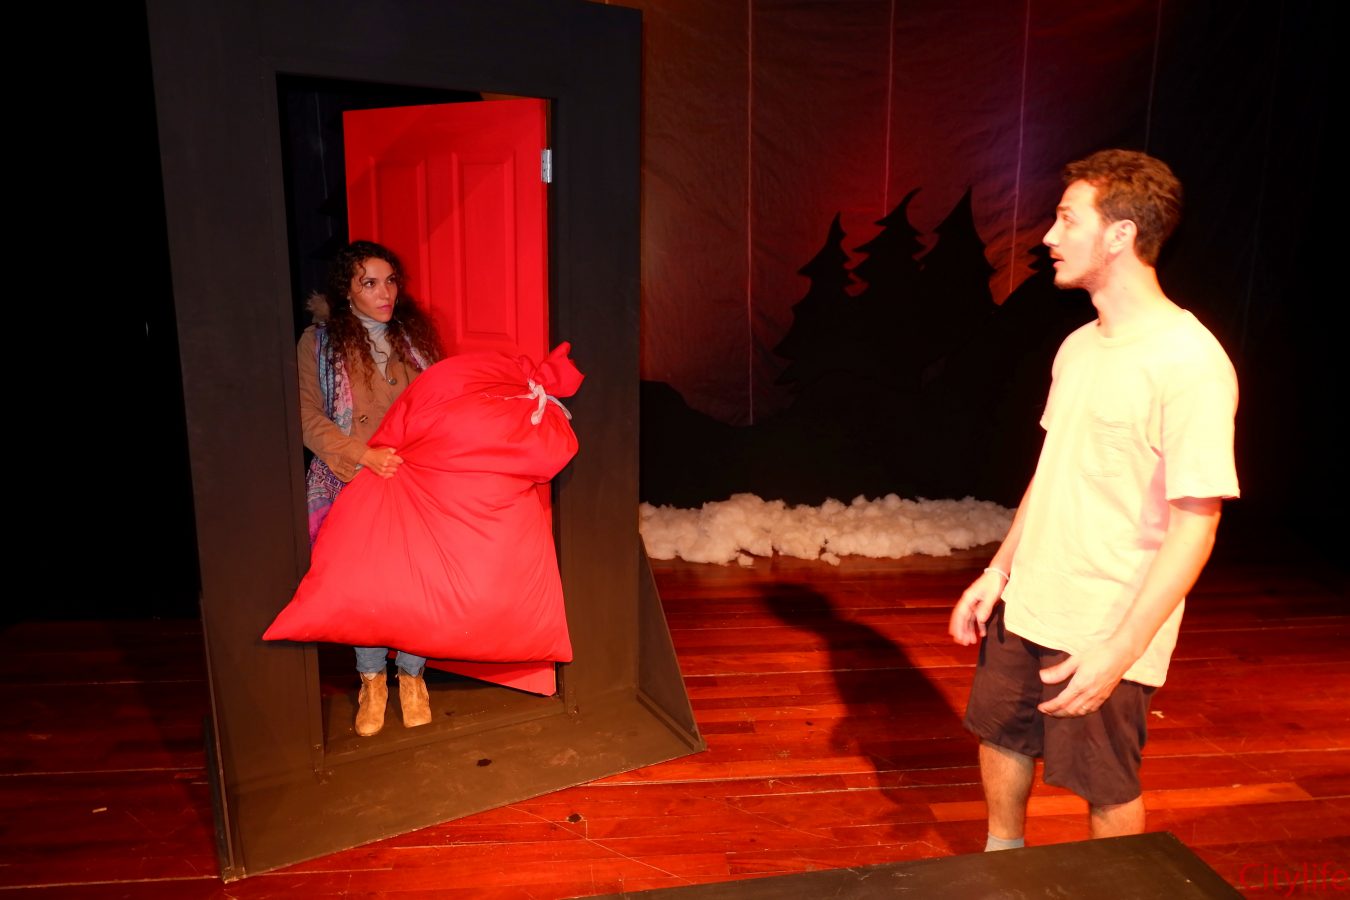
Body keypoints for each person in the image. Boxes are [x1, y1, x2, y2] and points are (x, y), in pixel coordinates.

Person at [948, 149, 1239, 850]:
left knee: (1104, 783)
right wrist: (999, 571)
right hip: (1030, 601)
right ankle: (1001, 865)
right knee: (1001, 735)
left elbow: (1196, 524)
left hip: (1107, 620)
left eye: (1067, 219)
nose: (1049, 236)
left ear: (1119, 234)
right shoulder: (1079, 346)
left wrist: (1121, 649)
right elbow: (1053, 472)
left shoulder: (1190, 362)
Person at [297, 239, 443, 737]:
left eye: (391, 281)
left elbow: (443, 403)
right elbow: (306, 416)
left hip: (414, 477)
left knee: (416, 580)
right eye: (370, 283)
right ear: (347, 290)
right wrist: (362, 455)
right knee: (365, 585)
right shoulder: (318, 343)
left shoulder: (415, 338)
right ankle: (373, 681)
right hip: (353, 475)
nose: (386, 293)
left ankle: (413, 677)